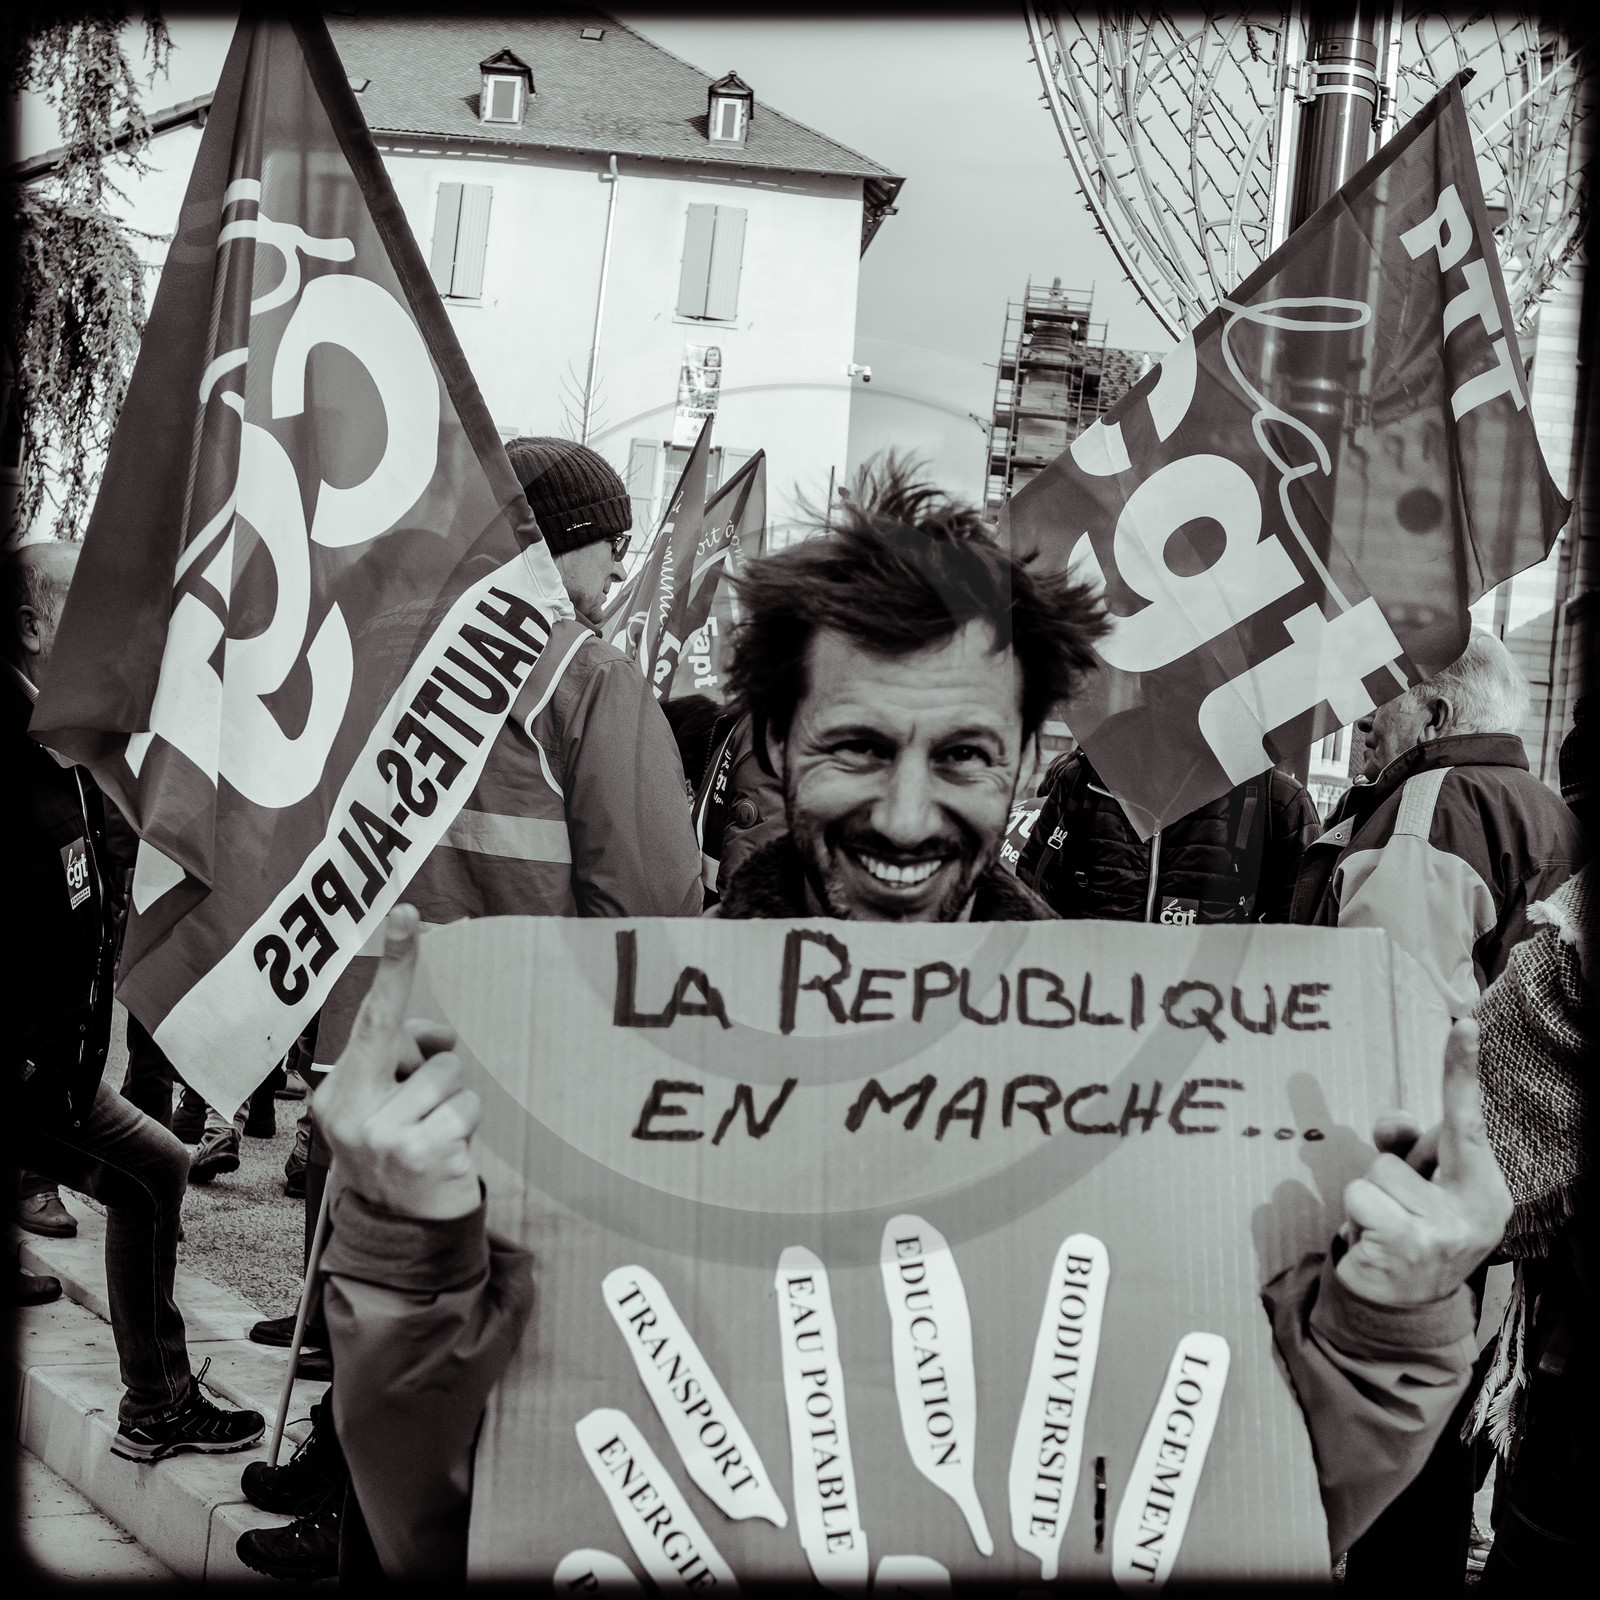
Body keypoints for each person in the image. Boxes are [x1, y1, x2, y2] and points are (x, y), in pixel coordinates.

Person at [307, 468, 1512, 1579]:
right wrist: (407, 1251)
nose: (903, 814)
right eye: (857, 746)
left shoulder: (1156, 1099)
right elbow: (448, 1520)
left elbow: (1261, 1502)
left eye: (963, 757)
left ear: (1021, 765)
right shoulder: (596, 1072)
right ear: (774, 745)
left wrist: (1393, 1311)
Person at [235, 437, 703, 1582]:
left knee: (378, 1313)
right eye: (608, 542)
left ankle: (344, 1507)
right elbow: (653, 912)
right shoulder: (588, 679)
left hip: (368, 1069)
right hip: (519, 1087)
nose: (618, 567)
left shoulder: (382, 661)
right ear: (554, 542)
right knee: (480, 1355)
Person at [3, 541, 263, 1456]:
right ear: (31, 624)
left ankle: (155, 1403)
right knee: (156, 1171)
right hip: (33, 1072)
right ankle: (156, 1402)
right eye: (87, 600)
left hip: (62, 1067)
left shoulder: (62, 726)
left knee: (155, 1172)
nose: (111, 622)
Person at [1296, 631, 1588, 1017]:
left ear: (1435, 717)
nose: (1365, 721)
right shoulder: (1545, 807)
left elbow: (1392, 1014)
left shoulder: (1431, 806)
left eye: (1381, 699)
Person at [1016, 746, 1319, 925]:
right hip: (1094, 999)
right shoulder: (1084, 778)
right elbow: (1032, 896)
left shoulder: (1276, 799)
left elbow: (1297, 939)